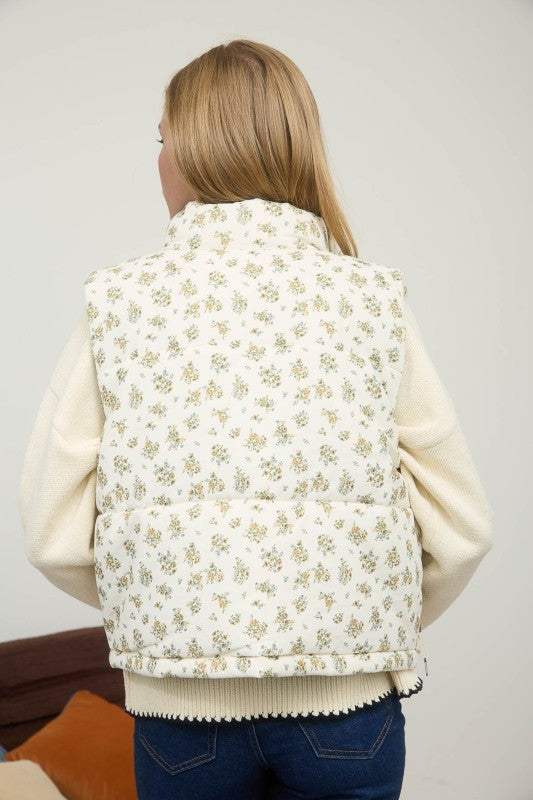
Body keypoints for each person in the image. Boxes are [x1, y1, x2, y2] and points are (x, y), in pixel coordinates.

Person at [18, 38, 494, 800]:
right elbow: (463, 529)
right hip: (347, 713)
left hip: (182, 718)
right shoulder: (371, 301)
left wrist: (170, 611)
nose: (157, 160)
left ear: (195, 153)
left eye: (161, 141)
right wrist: (359, 627)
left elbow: (51, 532)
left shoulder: (119, 304)